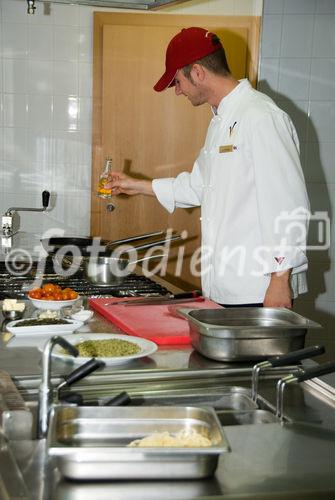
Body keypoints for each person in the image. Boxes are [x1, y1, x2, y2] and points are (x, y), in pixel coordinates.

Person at [106, 27, 310, 308]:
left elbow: (287, 204)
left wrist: (279, 280)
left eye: (177, 82)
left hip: (260, 289)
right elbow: (200, 185)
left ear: (198, 72)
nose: (177, 92)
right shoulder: (220, 122)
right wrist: (136, 185)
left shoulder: (261, 117)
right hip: (224, 286)